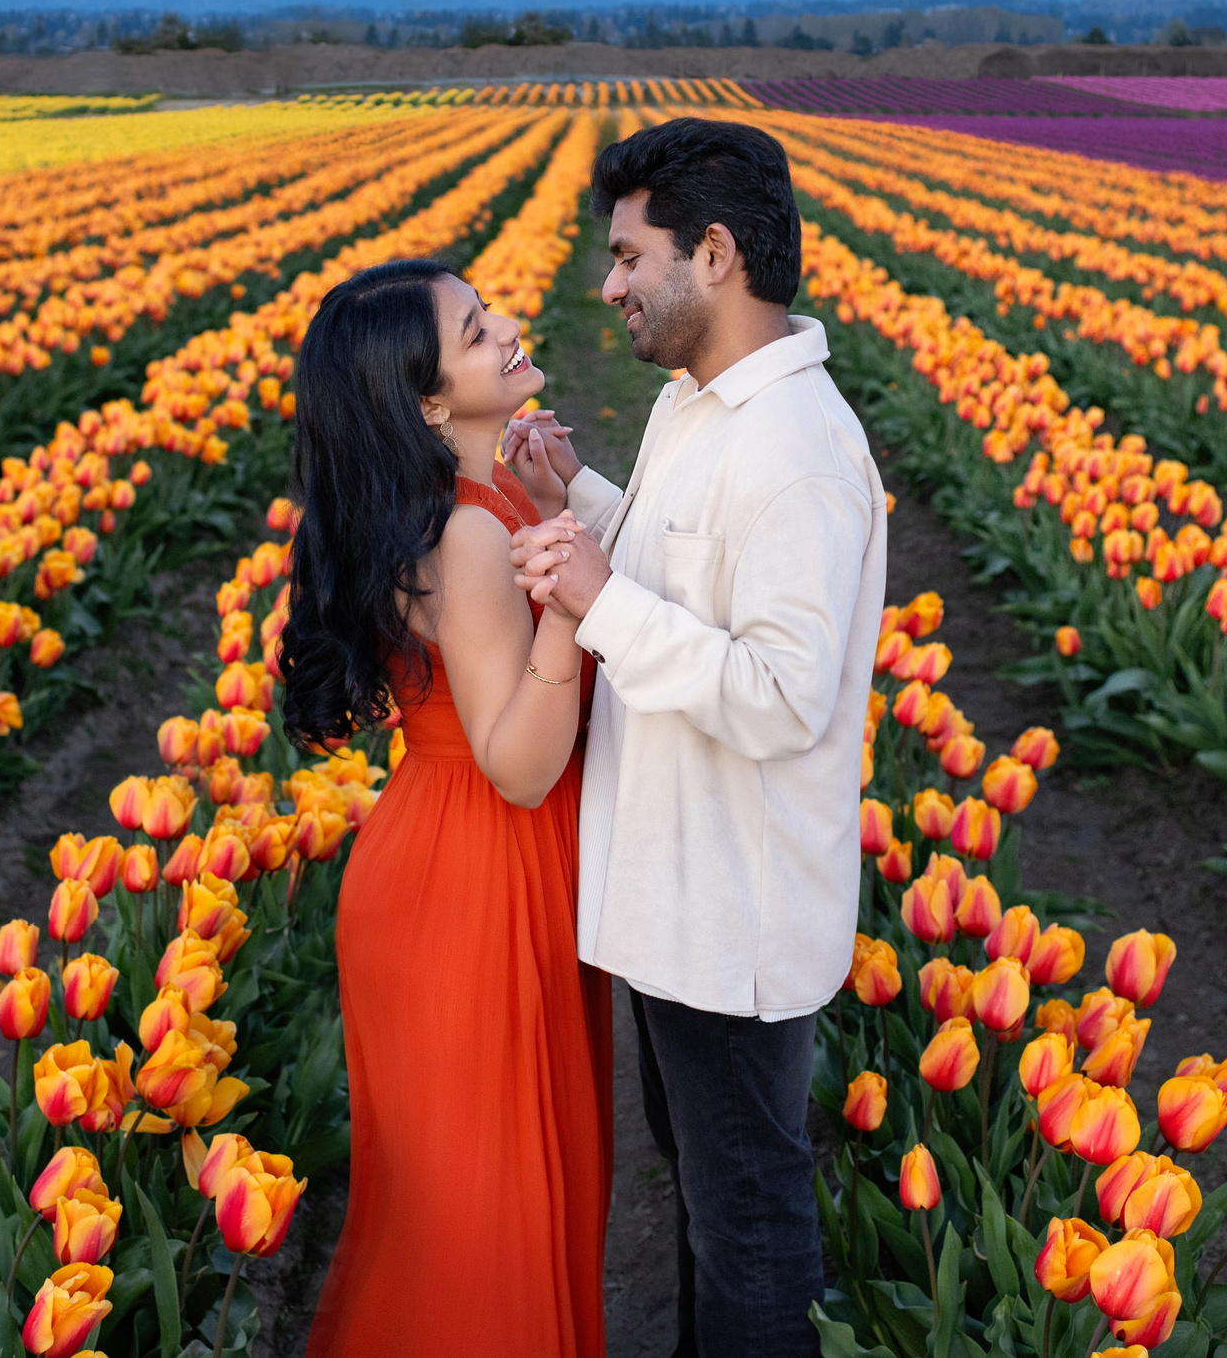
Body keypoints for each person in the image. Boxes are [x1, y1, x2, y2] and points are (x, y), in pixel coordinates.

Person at [509, 117, 887, 1358]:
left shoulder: (796, 450)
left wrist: (596, 604)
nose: (607, 285)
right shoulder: (700, 403)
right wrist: (581, 498)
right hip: (680, 894)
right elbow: (691, 567)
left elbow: (781, 696)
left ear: (713, 253)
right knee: (708, 1196)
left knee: (750, 1225)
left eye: (630, 256)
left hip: (734, 913)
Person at [280, 258, 612, 1358]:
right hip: (476, 876)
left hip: (463, 855)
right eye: (475, 330)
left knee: (473, 1210)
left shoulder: (484, 497)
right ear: (427, 403)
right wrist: (570, 611)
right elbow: (517, 763)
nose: (508, 325)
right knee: (485, 1226)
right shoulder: (462, 533)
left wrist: (557, 516)